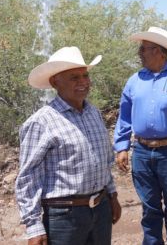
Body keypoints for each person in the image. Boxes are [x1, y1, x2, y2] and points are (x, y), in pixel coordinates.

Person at [16, 46, 121, 245]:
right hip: (64, 217)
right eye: (74, 77)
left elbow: (104, 162)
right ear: (55, 82)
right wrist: (33, 226)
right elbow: (28, 176)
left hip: (100, 209)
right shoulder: (41, 122)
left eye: (85, 75)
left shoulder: (93, 113)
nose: (83, 82)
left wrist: (112, 196)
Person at [114, 26, 167, 245]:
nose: (140, 53)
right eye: (141, 48)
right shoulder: (134, 80)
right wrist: (122, 147)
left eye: (145, 48)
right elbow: (124, 117)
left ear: (161, 51)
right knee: (149, 206)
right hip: (141, 151)